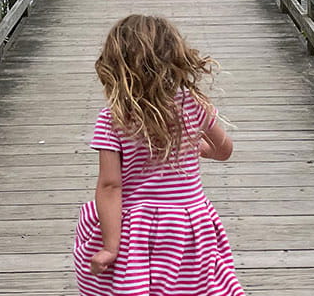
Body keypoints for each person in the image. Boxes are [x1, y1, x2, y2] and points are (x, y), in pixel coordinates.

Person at [73, 15, 245, 296]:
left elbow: (110, 186)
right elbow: (224, 150)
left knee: (133, 286)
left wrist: (110, 247)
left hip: (136, 228)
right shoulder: (193, 105)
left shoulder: (113, 119)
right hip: (187, 225)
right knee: (189, 287)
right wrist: (196, 147)